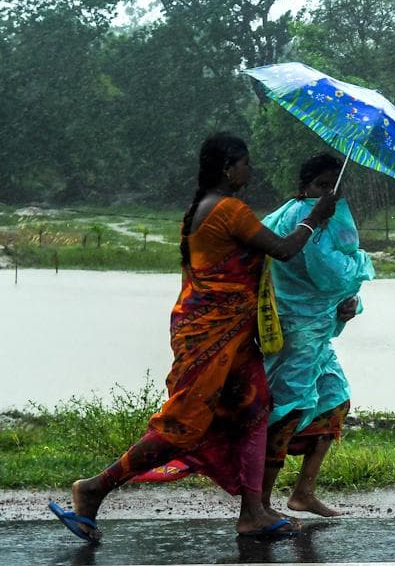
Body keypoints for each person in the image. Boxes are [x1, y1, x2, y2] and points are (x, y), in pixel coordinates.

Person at [49, 132, 336, 542]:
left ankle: (253, 511)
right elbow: (284, 249)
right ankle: (94, 488)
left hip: (232, 336)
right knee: (182, 427)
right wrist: (315, 217)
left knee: (257, 408)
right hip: (210, 336)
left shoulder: (203, 208)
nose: (249, 171)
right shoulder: (228, 210)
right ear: (228, 167)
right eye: (244, 163)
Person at [260, 153, 374, 518]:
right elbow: (332, 275)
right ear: (304, 188)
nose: (328, 194)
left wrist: (351, 303)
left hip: (316, 334)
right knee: (288, 410)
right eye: (321, 186)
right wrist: (362, 268)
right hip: (296, 334)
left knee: (334, 400)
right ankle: (260, 504)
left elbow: (338, 286)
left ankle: (303, 493)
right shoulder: (302, 219)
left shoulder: (319, 219)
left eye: (334, 187)